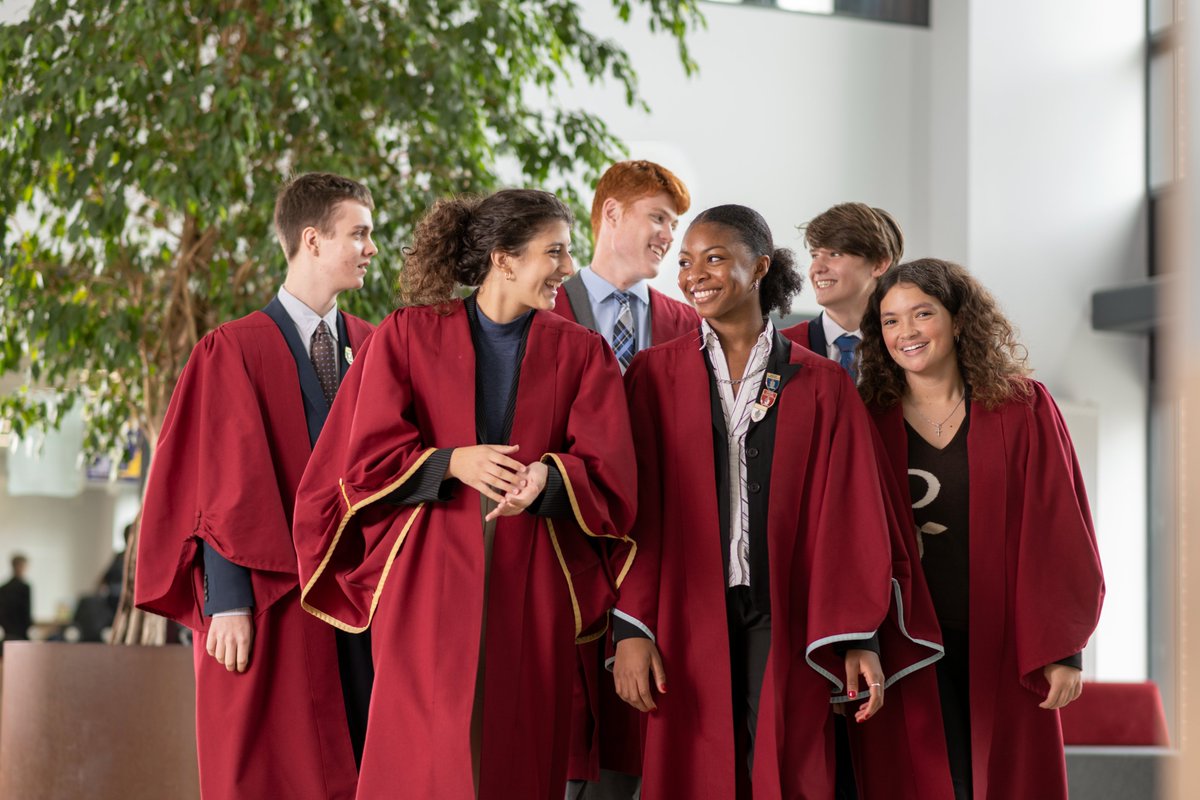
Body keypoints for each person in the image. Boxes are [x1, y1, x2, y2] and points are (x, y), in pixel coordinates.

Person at [291, 189, 638, 799]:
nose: (566, 268)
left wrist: (547, 479)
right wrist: (453, 462)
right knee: (423, 747)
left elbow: (609, 468)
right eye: (553, 252)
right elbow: (362, 459)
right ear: (504, 259)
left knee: (519, 741)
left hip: (531, 567)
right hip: (428, 566)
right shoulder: (407, 334)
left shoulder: (582, 352)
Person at [613, 205, 938, 798]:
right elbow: (636, 515)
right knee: (693, 764)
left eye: (714, 258)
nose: (693, 274)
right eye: (685, 262)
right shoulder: (653, 377)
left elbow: (850, 514)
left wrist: (857, 636)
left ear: (760, 266)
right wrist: (630, 628)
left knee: (787, 765)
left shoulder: (821, 383)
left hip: (787, 608)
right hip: (684, 609)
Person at [135, 172, 377, 800]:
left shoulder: (375, 348)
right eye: (360, 233)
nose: (372, 248)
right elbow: (217, 487)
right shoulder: (232, 349)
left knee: (367, 756)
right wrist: (229, 602)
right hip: (273, 595)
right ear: (312, 240)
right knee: (272, 765)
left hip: (362, 598)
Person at [858, 258, 1105, 799]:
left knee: (1001, 782)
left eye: (922, 314)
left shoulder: (1022, 408)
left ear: (959, 320)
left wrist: (1065, 651)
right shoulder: (865, 420)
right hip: (906, 643)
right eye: (891, 321)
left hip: (1007, 641)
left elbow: (1060, 526)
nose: (907, 333)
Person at [551, 160, 698, 800]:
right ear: (611, 213)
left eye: (676, 223)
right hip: (560, 554)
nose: (670, 235)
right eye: (658, 217)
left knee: (642, 747)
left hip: (660, 552)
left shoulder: (687, 325)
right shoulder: (543, 304)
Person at [783, 202, 904, 378]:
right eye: (815, 255)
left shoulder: (907, 346)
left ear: (879, 264)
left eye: (835, 254)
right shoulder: (782, 347)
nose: (816, 268)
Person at [0, 554, 33, 644]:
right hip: (20, 633)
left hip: (8, 632)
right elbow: (27, 611)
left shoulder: (3, 588)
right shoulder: (25, 587)